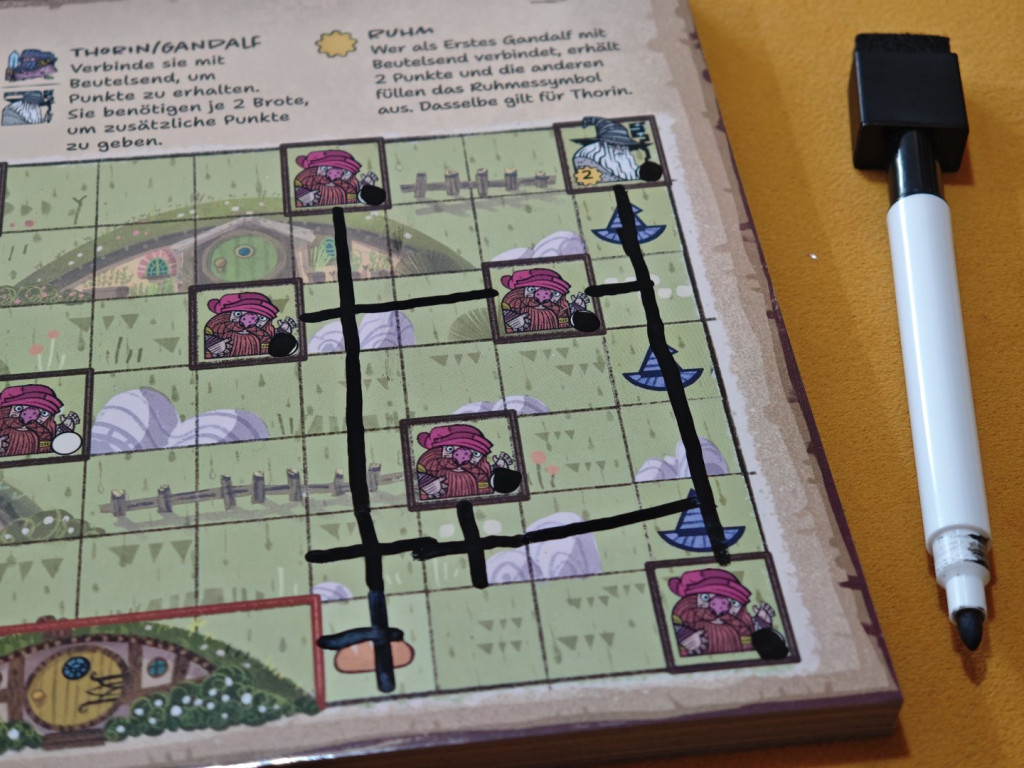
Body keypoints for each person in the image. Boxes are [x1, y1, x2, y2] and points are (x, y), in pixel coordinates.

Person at [416, 424, 513, 500]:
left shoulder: (480, 472)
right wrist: (424, 481)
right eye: (450, 449)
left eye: (475, 454)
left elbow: (488, 479)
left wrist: (499, 469)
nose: (461, 460)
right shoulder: (430, 466)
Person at [0, 384, 79, 457]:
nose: (28, 419)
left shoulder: (45, 433)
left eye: (43, 413)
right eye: (18, 408)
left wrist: (65, 428)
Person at [293, 150, 378, 207]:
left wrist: (365, 188)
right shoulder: (307, 182)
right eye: (324, 169)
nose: (333, 176)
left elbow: (357, 202)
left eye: (345, 172)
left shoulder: (349, 189)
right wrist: (302, 195)